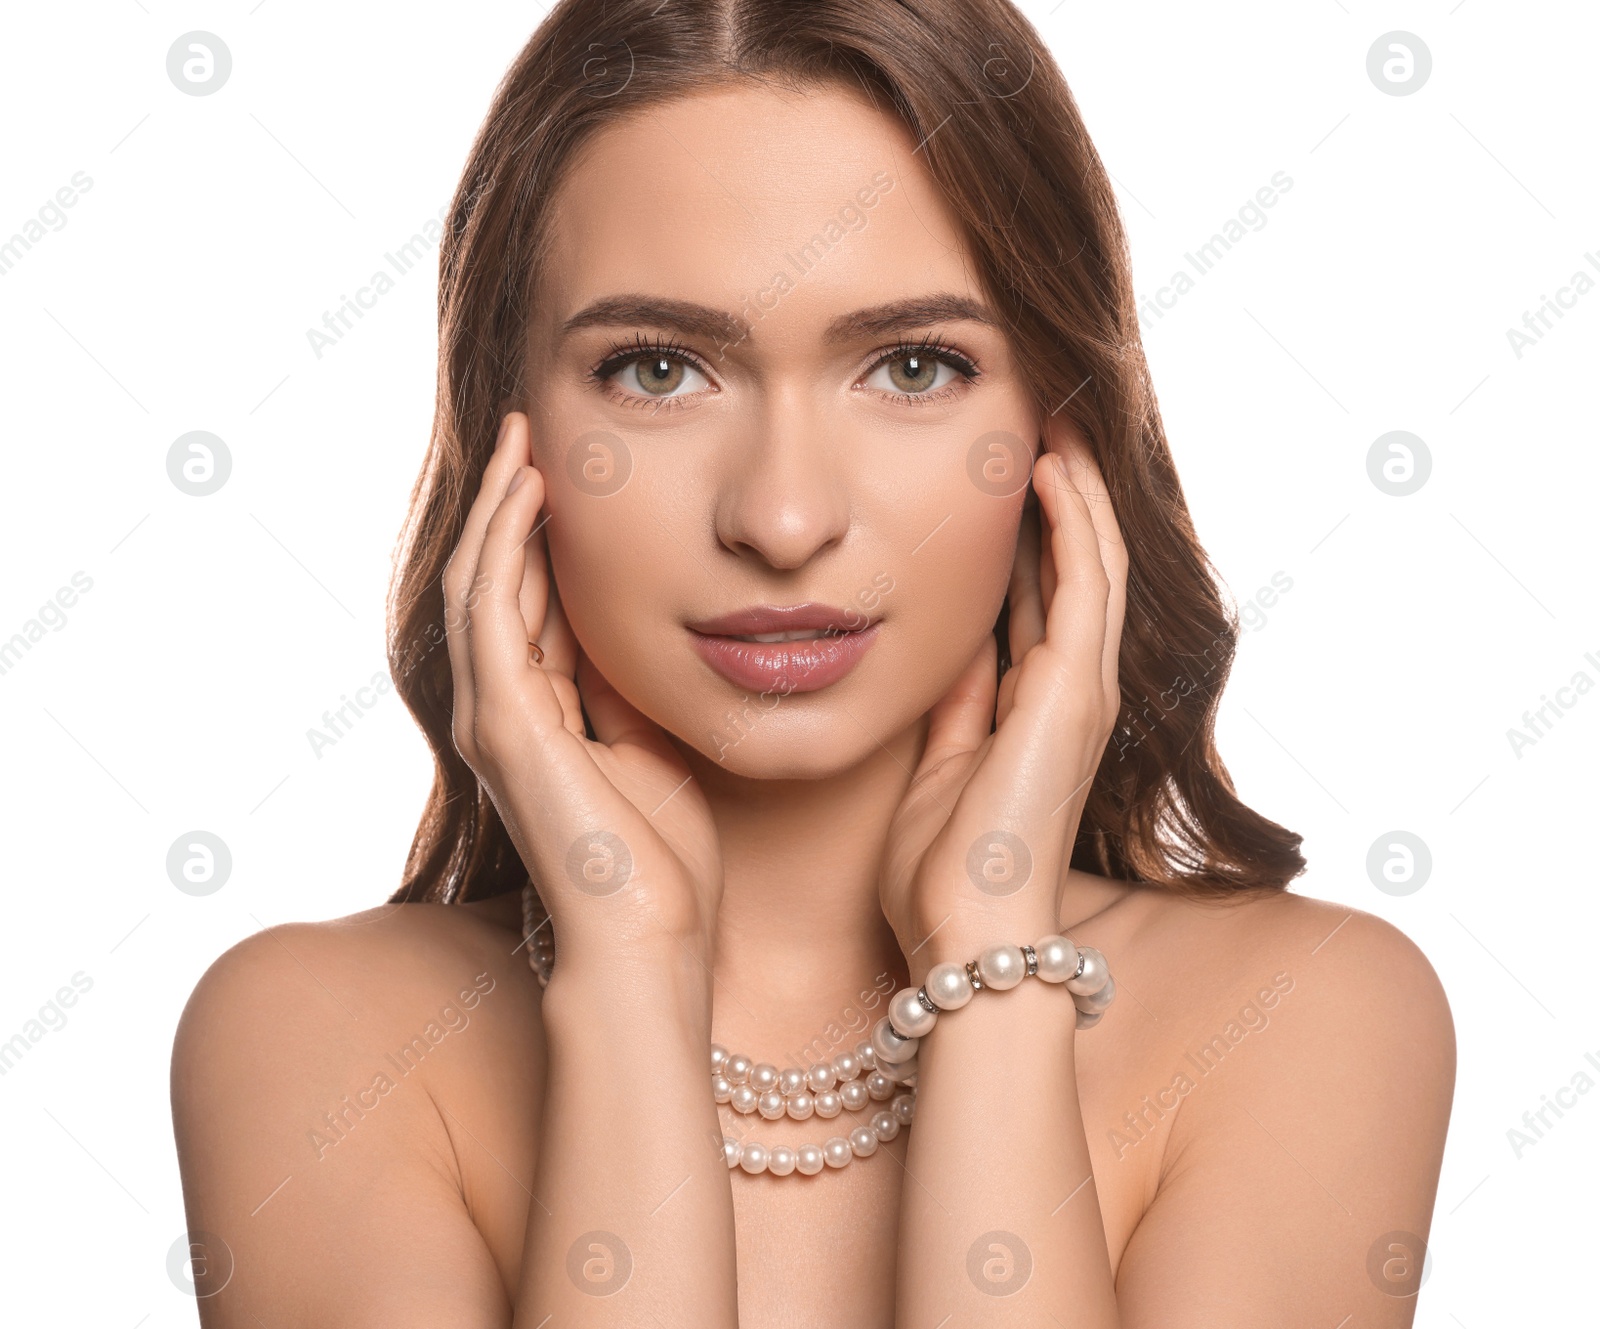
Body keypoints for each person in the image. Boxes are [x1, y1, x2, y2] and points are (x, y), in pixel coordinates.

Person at [170, 1, 1455, 1324]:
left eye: (912, 365)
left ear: (1059, 432)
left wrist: (993, 955)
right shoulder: (315, 1041)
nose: (783, 520)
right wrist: (628, 966)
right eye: (659, 369)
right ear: (510, 435)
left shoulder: (1307, 1017)